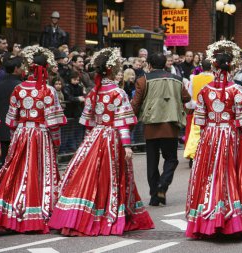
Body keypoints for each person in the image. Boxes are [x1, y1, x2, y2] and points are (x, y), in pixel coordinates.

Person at [49, 47, 154, 236]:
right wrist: (127, 145)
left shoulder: (93, 92)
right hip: (112, 138)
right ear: (112, 69)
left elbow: (87, 121)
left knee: (90, 176)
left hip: (95, 136)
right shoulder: (118, 93)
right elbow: (122, 123)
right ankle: (106, 212)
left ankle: (81, 214)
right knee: (111, 177)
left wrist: (89, 141)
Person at [185, 40, 242, 239]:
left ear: (213, 66)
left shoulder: (205, 90)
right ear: (232, 66)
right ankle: (232, 222)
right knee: (230, 176)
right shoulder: (237, 91)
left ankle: (207, 221)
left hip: (210, 139)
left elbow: (200, 121)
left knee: (209, 177)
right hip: (231, 137)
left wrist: (209, 135)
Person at [0, 46, 66, 233]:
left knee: (17, 171)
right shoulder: (48, 90)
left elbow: (11, 119)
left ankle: (13, 208)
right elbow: (53, 123)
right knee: (40, 172)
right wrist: (56, 143)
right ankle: (39, 210)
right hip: (41, 135)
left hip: (21, 134)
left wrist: (15, 136)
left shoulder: (19, 89)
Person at [131, 53, 191, 206]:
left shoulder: (143, 80)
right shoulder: (177, 79)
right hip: (170, 124)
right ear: (165, 64)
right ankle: (162, 187)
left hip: (151, 124)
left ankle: (155, 195)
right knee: (171, 159)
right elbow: (187, 98)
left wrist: (131, 120)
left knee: (152, 161)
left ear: (149, 64)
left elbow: (136, 103)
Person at [0, 55, 24, 173]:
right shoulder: (21, 86)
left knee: (5, 162)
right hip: (18, 128)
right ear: (16, 69)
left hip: (1, 128)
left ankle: (3, 186)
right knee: (19, 162)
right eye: (22, 66)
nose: (23, 69)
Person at [183, 60, 214, 166]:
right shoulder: (214, 78)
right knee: (210, 132)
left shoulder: (194, 78)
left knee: (195, 133)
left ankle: (193, 156)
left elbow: (190, 94)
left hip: (198, 108)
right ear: (211, 68)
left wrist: (189, 106)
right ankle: (209, 155)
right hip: (211, 109)